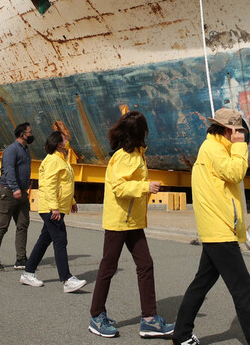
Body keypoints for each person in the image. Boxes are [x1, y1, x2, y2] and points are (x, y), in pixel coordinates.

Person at [171, 109, 250, 345]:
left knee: (201, 284)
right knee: (243, 289)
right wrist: (240, 147)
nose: (241, 136)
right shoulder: (213, 150)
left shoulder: (214, 149)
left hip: (217, 228)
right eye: (238, 131)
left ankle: (181, 336)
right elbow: (236, 173)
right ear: (229, 130)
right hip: (219, 230)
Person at [88, 111, 174, 339]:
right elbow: (118, 188)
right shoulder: (126, 156)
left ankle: (149, 319)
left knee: (145, 265)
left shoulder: (136, 154)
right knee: (108, 267)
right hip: (119, 222)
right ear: (140, 133)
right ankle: (96, 316)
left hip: (131, 221)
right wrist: (145, 186)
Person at [20, 130, 86, 293]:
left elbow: (65, 184)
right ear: (59, 143)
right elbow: (49, 186)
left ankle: (28, 272)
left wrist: (72, 201)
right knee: (60, 239)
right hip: (51, 208)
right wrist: (54, 207)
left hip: (57, 207)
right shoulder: (53, 161)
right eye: (65, 139)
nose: (68, 140)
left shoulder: (61, 160)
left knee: (45, 240)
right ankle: (67, 279)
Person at [0, 122, 33, 271]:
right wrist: (15, 188)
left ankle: (21, 259)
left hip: (22, 193)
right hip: (8, 192)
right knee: (2, 226)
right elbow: (8, 170)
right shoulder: (11, 150)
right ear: (22, 134)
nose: (31, 134)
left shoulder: (26, 150)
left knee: (23, 225)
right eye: (29, 132)